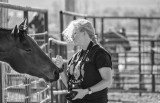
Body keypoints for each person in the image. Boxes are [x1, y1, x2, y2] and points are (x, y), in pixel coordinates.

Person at [55, 19, 113, 103]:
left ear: (84, 33)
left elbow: (107, 81)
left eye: (75, 33)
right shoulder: (75, 56)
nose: (72, 36)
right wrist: (60, 69)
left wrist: (87, 91)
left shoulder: (100, 54)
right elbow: (69, 84)